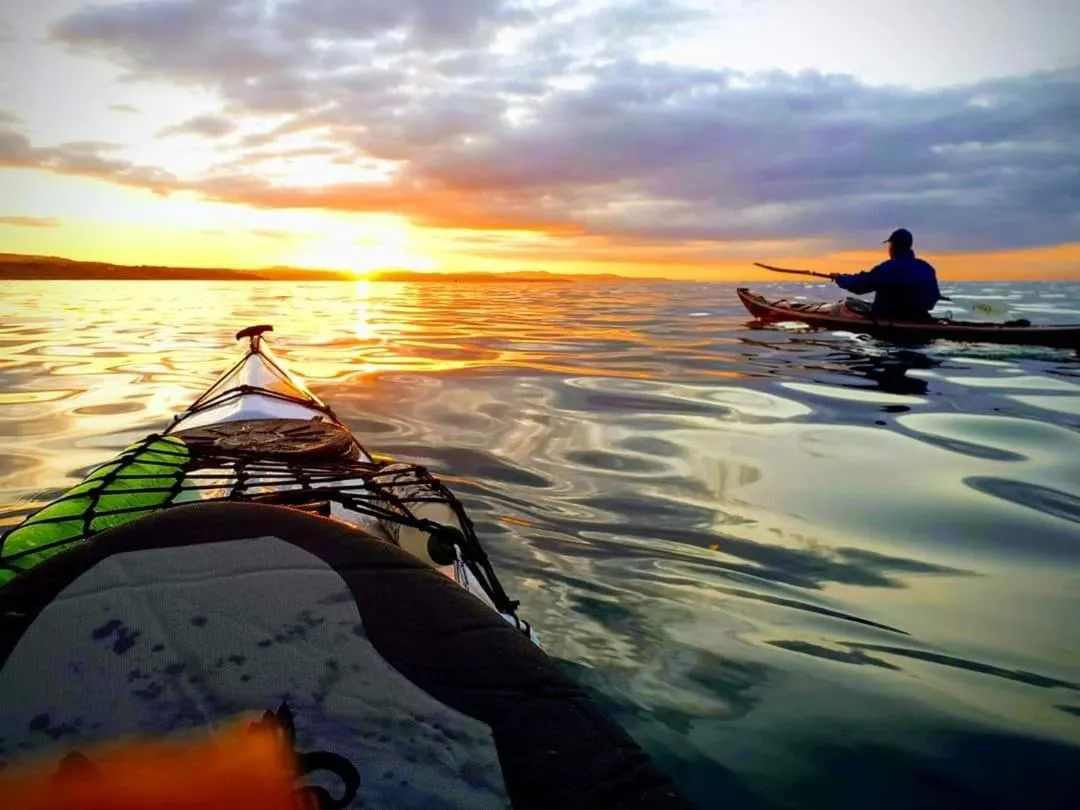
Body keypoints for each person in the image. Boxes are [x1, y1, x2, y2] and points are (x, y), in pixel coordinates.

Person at [830, 228, 942, 320]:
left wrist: (840, 278)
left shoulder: (888, 268)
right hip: (921, 320)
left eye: (889, 245)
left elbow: (861, 285)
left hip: (889, 322)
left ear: (893, 246)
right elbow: (934, 296)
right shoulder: (927, 268)